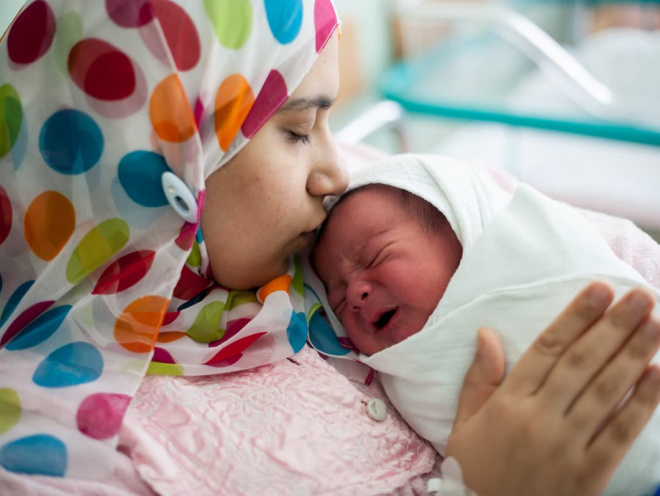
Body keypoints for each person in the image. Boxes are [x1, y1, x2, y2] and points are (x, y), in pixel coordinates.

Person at [0, 1, 659, 495]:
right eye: (295, 130)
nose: (336, 173)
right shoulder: (66, 450)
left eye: (330, 122)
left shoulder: (367, 203)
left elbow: (609, 255)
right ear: (165, 155)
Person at [311, 153, 660, 495]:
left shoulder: (541, 257)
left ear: (463, 227)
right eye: (338, 302)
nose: (354, 294)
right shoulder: (400, 381)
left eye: (376, 256)